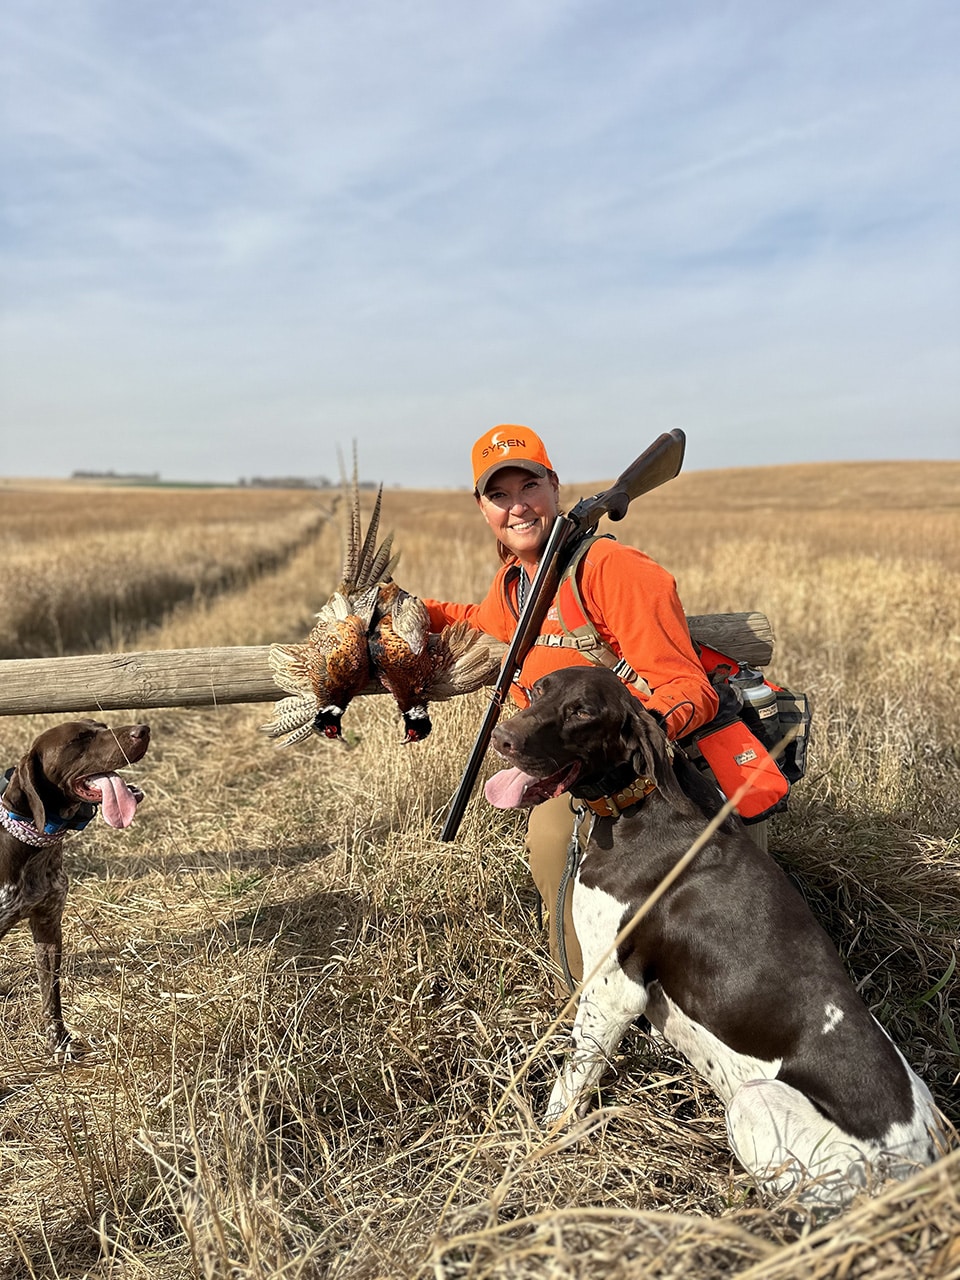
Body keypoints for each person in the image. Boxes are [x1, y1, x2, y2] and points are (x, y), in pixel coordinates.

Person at [423, 425, 719, 986]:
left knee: (554, 842)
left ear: (554, 486)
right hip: (567, 761)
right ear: (482, 507)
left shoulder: (615, 571)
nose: (518, 507)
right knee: (554, 854)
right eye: (499, 495)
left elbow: (688, 687)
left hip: (634, 762)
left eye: (528, 486)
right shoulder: (515, 584)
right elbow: (474, 621)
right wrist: (407, 611)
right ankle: (583, 1005)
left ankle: (622, 1011)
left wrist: (641, 731)